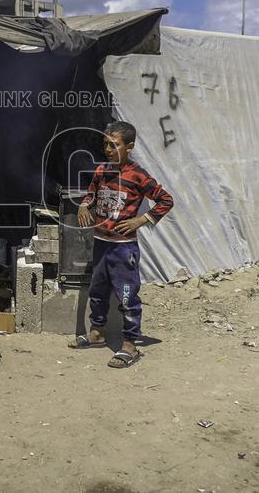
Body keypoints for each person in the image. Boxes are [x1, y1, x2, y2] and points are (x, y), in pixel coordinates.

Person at [70, 120, 174, 368]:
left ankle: (130, 344)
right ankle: (97, 333)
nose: (108, 149)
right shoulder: (102, 170)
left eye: (114, 145)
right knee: (97, 290)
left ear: (129, 147)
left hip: (123, 248)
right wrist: (85, 204)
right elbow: (92, 193)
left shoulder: (138, 175)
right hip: (101, 244)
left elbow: (165, 200)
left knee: (127, 295)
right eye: (105, 143)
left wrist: (141, 220)